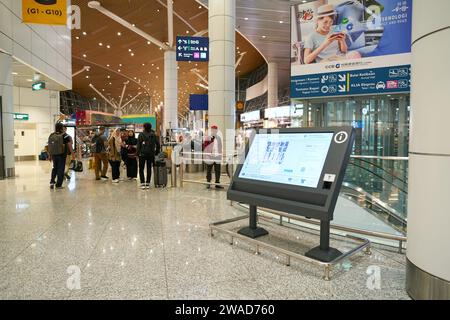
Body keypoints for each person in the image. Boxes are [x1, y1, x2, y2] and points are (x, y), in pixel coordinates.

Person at [48, 122, 74, 190]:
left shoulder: (51, 135)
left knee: (54, 168)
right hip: (62, 155)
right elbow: (70, 146)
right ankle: (58, 185)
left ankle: (52, 182)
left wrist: (50, 155)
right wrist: (73, 154)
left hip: (54, 155)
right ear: (61, 128)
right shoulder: (65, 135)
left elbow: (50, 146)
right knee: (60, 169)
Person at [137, 123, 160, 190]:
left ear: (144, 127)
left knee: (141, 168)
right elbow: (158, 144)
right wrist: (156, 152)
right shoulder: (153, 135)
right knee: (149, 168)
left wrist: (137, 154)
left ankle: (142, 183)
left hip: (142, 154)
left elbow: (139, 145)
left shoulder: (141, 134)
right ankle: (147, 183)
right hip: (151, 154)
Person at [203, 125, 223, 189]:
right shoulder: (208, 138)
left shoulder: (219, 138)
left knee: (218, 170)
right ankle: (208, 183)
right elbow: (205, 147)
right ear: (211, 130)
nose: (214, 131)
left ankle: (217, 183)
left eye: (215, 130)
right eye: (213, 130)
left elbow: (220, 147)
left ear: (217, 131)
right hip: (210, 156)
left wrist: (220, 154)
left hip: (217, 156)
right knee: (209, 170)